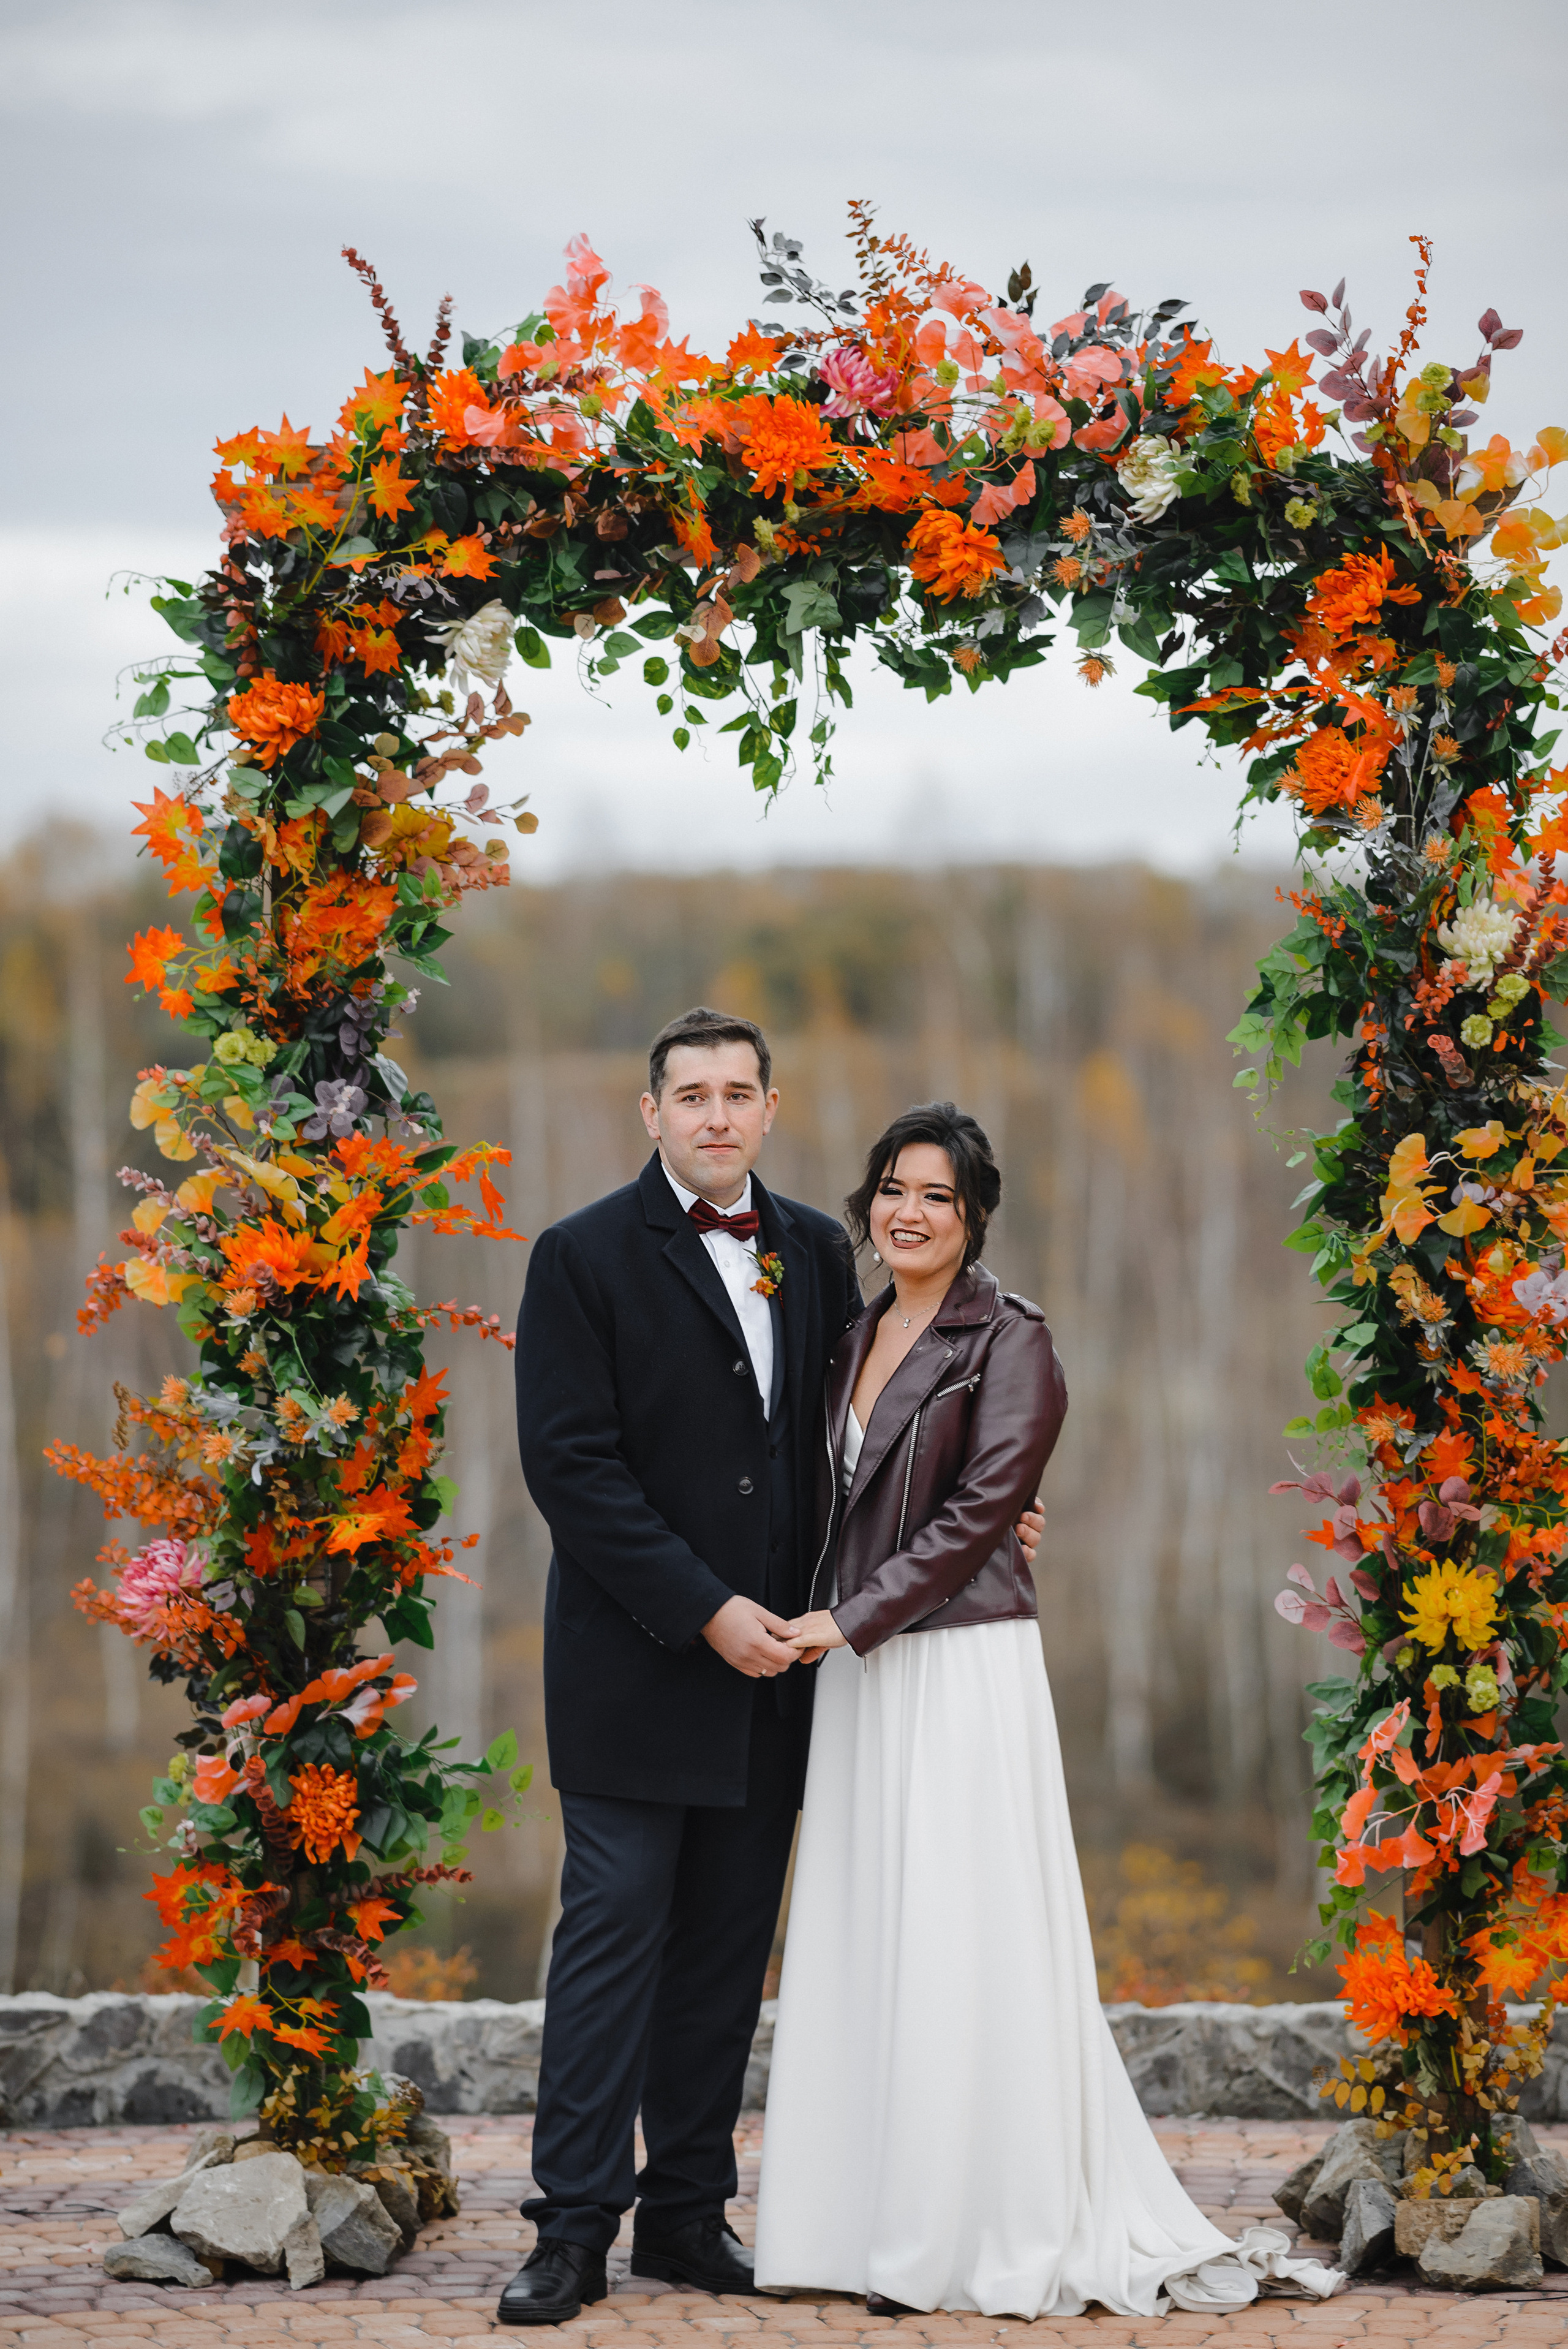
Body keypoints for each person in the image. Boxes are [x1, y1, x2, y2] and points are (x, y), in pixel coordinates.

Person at [753, 1102, 1344, 2321]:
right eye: (892, 1189)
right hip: (862, 1669)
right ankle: (856, 2224)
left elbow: (979, 1515)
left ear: (973, 1222)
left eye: (937, 1197)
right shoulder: (847, 1334)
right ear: (868, 1202)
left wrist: (847, 1617)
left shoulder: (1010, 1340)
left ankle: (958, 2232)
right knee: (872, 1925)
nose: (907, 1212)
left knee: (960, 1928)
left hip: (956, 1662)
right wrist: (828, 1619)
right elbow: (843, 1494)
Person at [504, 1011, 1049, 2325]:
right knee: (611, 1951)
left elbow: (857, 1438)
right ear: (650, 1113)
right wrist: (703, 1611)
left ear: (770, 1107)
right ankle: (572, 2226)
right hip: (636, 1667)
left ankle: (687, 2217)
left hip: (781, 1679)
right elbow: (570, 1469)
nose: (713, 1116)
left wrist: (978, 1511)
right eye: (688, 1095)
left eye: (736, 1094)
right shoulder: (577, 1258)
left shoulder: (813, 1250)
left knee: (722, 1959)